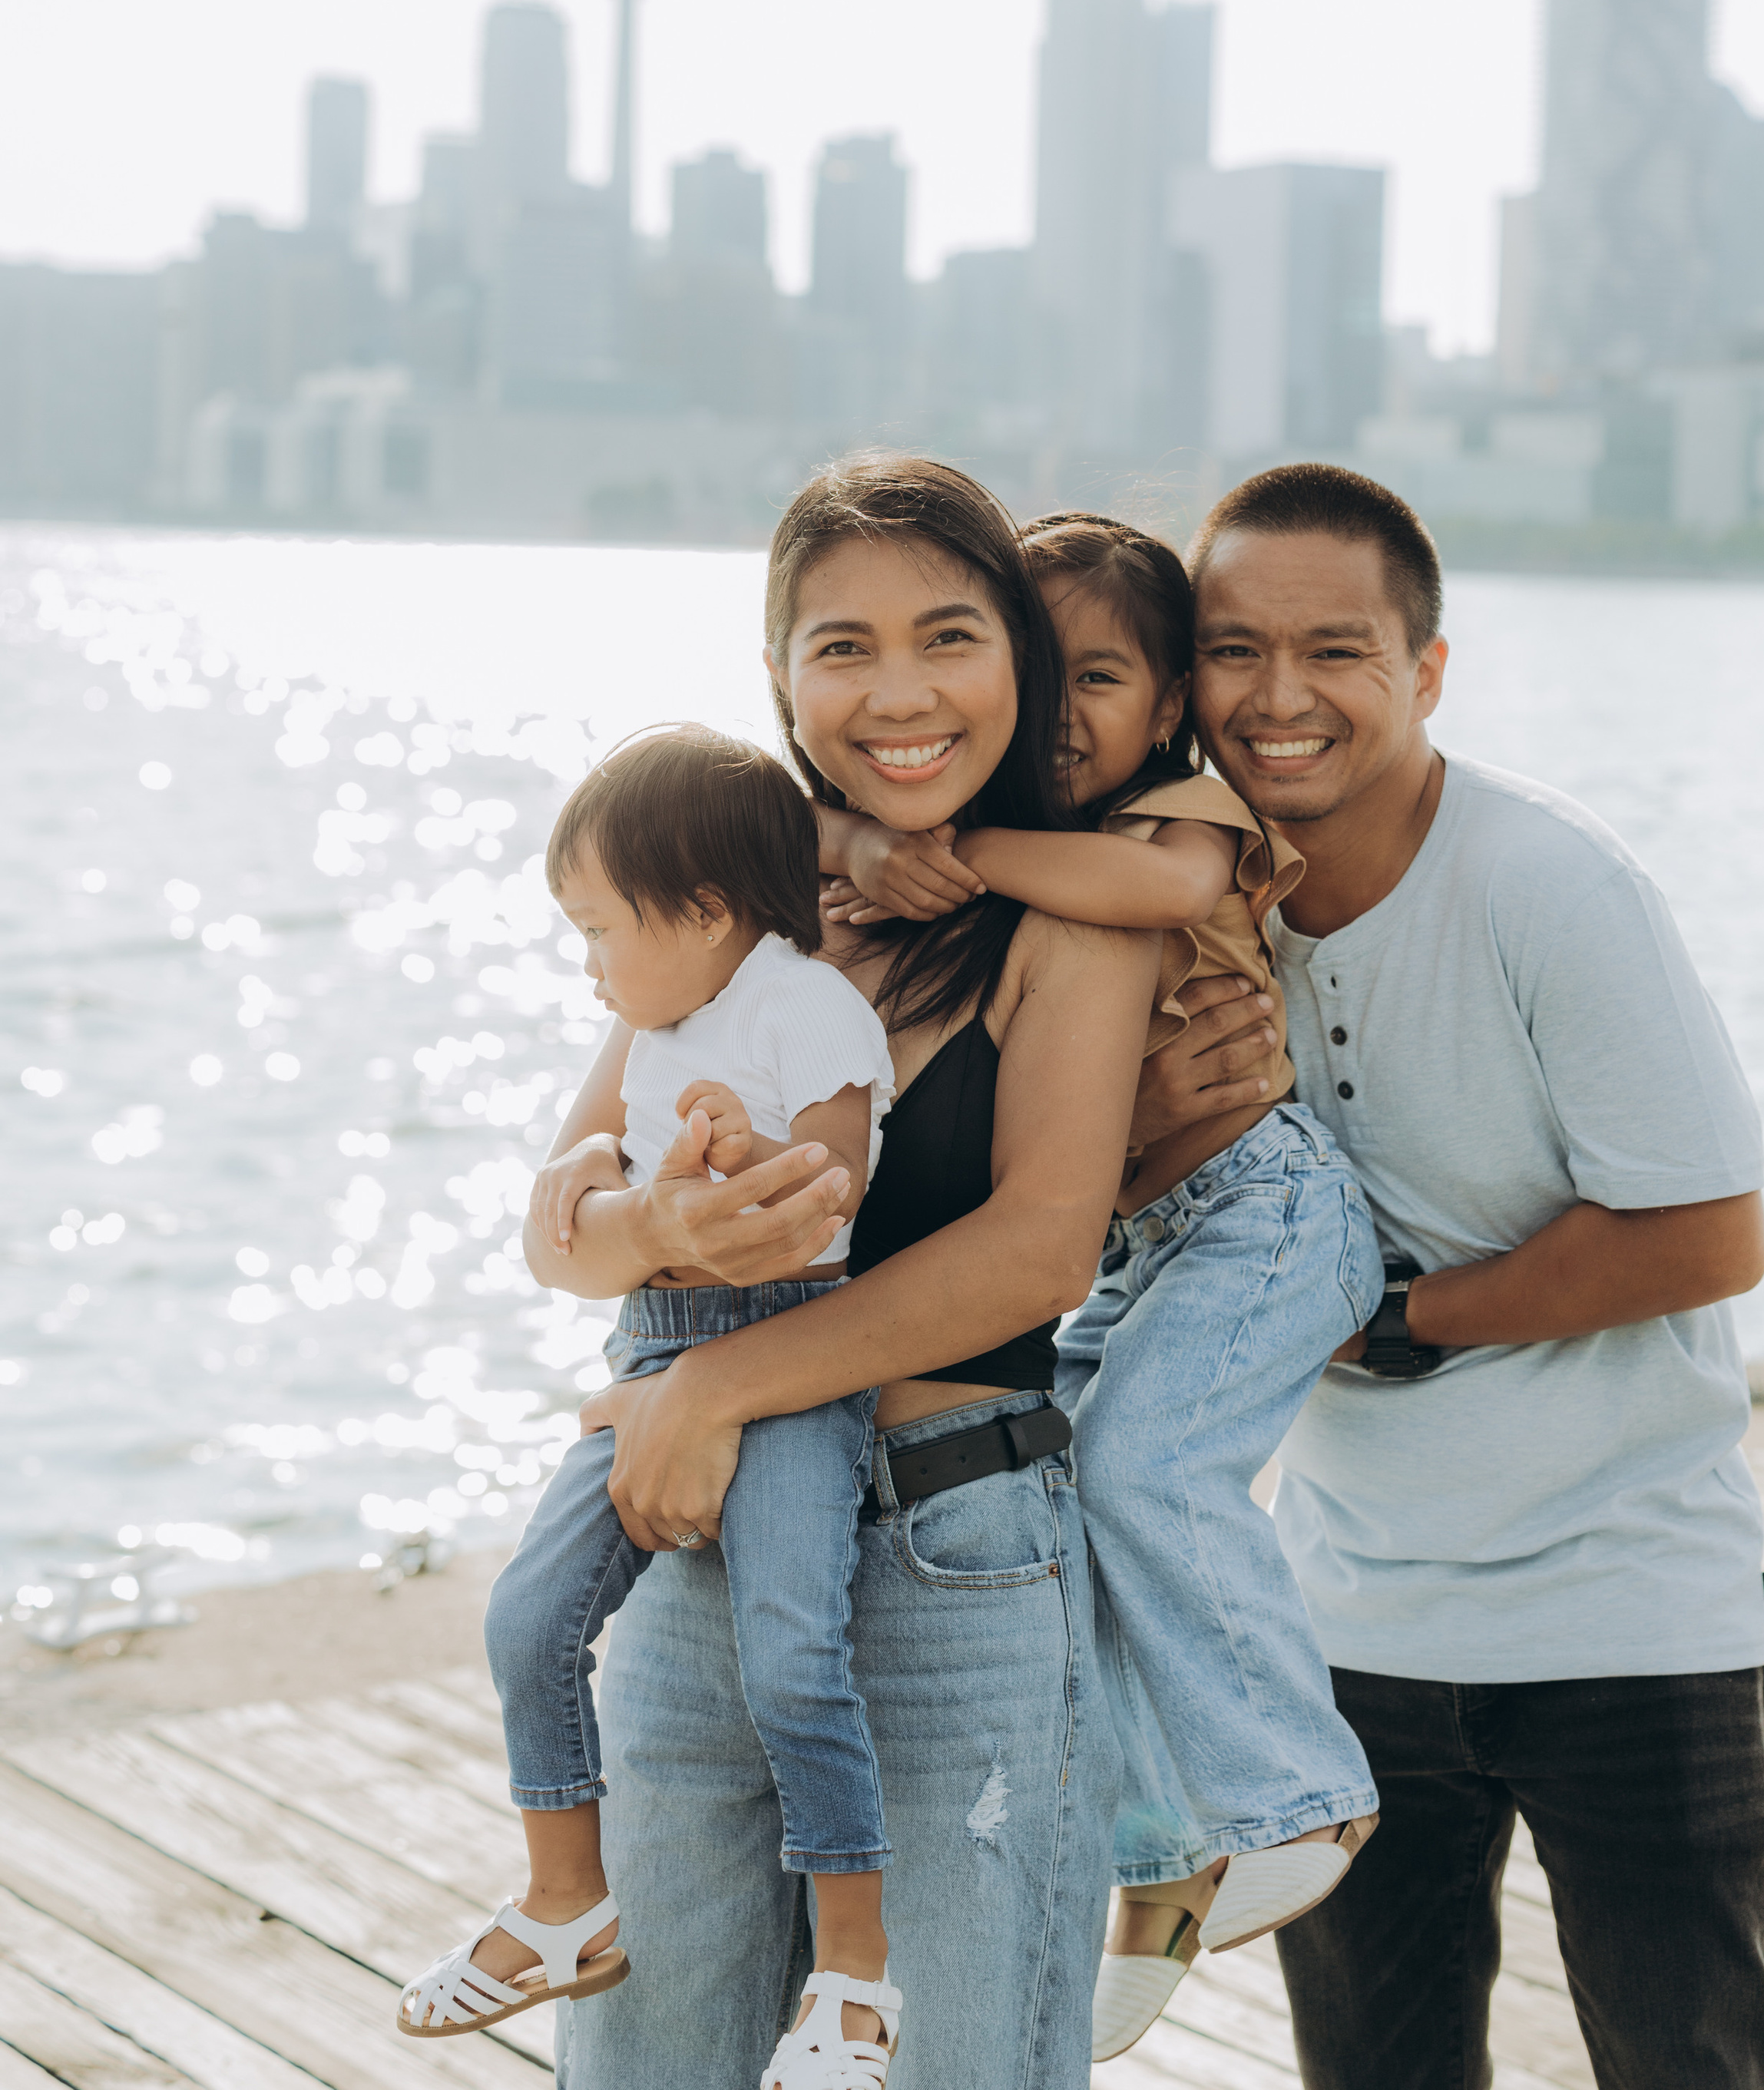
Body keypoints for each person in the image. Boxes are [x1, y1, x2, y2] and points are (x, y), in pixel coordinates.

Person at [1130, 460, 1764, 2090]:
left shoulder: (1548, 884)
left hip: (1626, 1602)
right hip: (1345, 1617)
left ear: (1422, 671)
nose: (1278, 698)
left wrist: (1397, 1320)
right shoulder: (1183, 908)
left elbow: (1707, 1231)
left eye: (1335, 651)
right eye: (1231, 650)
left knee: (1688, 2064)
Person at [533, 455, 1160, 2090]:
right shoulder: (728, 912)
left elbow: (1037, 1247)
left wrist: (720, 1380)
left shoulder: (1070, 919)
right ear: (776, 676)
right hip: (701, 1557)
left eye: (948, 637)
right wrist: (659, 1236)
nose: (899, 693)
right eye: (840, 648)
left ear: (1014, 662)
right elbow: (559, 1219)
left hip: (953, 1561)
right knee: (645, 2062)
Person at [821, 511, 1382, 2061]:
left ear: (1167, 709)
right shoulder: (970, 848)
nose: (1066, 713)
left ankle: (1298, 1793)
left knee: (1143, 1468)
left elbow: (1147, 898)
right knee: (1064, 1506)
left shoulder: (1173, 817)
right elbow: (784, 828)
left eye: (1106, 677)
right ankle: (1157, 1858)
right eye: (1040, 672)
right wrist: (871, 844)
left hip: (1260, 1212)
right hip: (1152, 1238)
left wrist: (958, 855)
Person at [395, 724, 897, 2082]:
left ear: (708, 910)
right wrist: (617, 1199)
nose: (591, 962)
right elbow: (566, 1222)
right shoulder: (656, 1019)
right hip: (653, 1351)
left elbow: (822, 1203)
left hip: (790, 1361)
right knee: (526, 1617)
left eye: (601, 927)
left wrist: (699, 1181)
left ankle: (856, 1961)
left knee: (793, 1653)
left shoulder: (808, 1008)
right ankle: (568, 1899)